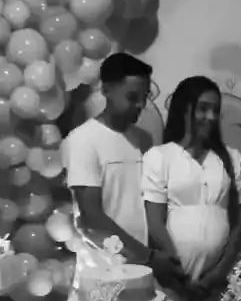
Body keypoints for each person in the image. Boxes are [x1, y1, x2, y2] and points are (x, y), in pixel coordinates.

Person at [62, 53, 180, 284]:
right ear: (106, 90)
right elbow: (90, 221)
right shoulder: (82, 140)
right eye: (132, 97)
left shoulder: (144, 140)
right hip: (103, 278)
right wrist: (147, 257)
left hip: (144, 274)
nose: (140, 106)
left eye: (144, 97)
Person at [142, 76, 241, 301]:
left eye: (215, 110)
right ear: (184, 108)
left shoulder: (231, 158)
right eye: (203, 108)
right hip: (171, 285)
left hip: (220, 286)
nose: (210, 117)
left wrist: (218, 273)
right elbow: (154, 224)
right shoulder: (159, 156)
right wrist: (180, 277)